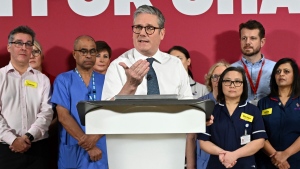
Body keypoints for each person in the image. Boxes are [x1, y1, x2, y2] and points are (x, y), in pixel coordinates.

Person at [102, 5, 192, 100]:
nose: (142, 33)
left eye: (149, 28)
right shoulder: (118, 66)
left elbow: (188, 104)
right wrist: (130, 86)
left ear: (162, 33)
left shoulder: (175, 64)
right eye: (138, 27)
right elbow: (107, 111)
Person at [0, 25, 53, 169]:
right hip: (5, 150)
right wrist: (13, 140)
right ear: (9, 47)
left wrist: (28, 137)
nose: (24, 47)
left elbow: (47, 112)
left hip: (37, 149)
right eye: (18, 43)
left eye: (28, 44)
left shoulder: (42, 79)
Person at [51, 35, 108, 169]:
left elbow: (110, 114)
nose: (88, 55)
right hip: (73, 145)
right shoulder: (63, 80)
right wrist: (89, 146)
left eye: (92, 51)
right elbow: (63, 117)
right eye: (83, 51)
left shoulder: (106, 80)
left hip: (100, 145)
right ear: (74, 54)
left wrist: (94, 141)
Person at [198, 66, 267, 169]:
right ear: (221, 84)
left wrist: (234, 155)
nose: (232, 85)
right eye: (227, 81)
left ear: (243, 86)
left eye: (237, 81)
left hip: (245, 165)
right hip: (218, 164)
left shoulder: (253, 110)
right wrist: (222, 154)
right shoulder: (211, 110)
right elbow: (203, 141)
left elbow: (260, 141)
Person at [167, 46, 208, 169]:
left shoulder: (202, 90)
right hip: (170, 144)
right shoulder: (163, 89)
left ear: (188, 61)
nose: (176, 63)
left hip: (196, 145)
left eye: (179, 59)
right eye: (171, 60)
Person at [256, 58, 300, 169]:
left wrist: (285, 155)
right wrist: (275, 156)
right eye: (278, 71)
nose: (281, 74)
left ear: (295, 75)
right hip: (268, 161)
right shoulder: (263, 103)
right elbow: (259, 133)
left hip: (295, 161)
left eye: (286, 71)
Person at [231, 20, 276, 105]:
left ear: (262, 42)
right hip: (240, 116)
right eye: (244, 38)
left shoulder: (275, 68)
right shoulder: (230, 70)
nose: (247, 42)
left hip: (269, 115)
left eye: (253, 38)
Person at [196, 60, 230, 169]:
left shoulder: (236, 105)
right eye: (216, 76)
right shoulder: (200, 104)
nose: (219, 80)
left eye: (223, 77)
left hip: (230, 159)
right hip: (205, 159)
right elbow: (191, 137)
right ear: (210, 80)